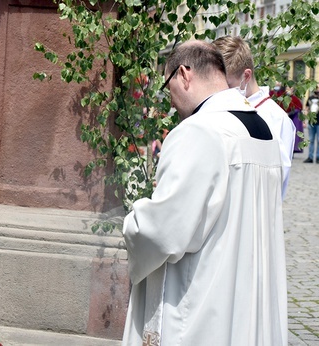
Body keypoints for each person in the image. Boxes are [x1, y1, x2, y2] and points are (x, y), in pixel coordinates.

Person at [122, 41, 287, 345]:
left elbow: (162, 231)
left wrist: (133, 221)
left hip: (201, 312)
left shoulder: (200, 130)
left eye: (167, 84)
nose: (169, 101)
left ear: (184, 74)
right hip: (246, 308)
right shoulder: (263, 130)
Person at [212, 35, 295, 197]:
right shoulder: (219, 107)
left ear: (246, 76)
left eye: (227, 85)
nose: (219, 92)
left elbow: (275, 184)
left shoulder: (275, 119)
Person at [271, 82, 304, 153]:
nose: (289, 89)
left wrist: (289, 113)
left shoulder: (295, 99)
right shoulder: (280, 97)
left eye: (291, 88)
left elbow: (298, 108)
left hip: (292, 119)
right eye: (288, 88)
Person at [304, 87, 319, 163]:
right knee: (311, 140)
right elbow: (306, 108)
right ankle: (310, 157)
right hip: (311, 122)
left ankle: (318, 157)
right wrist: (305, 119)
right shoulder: (310, 98)